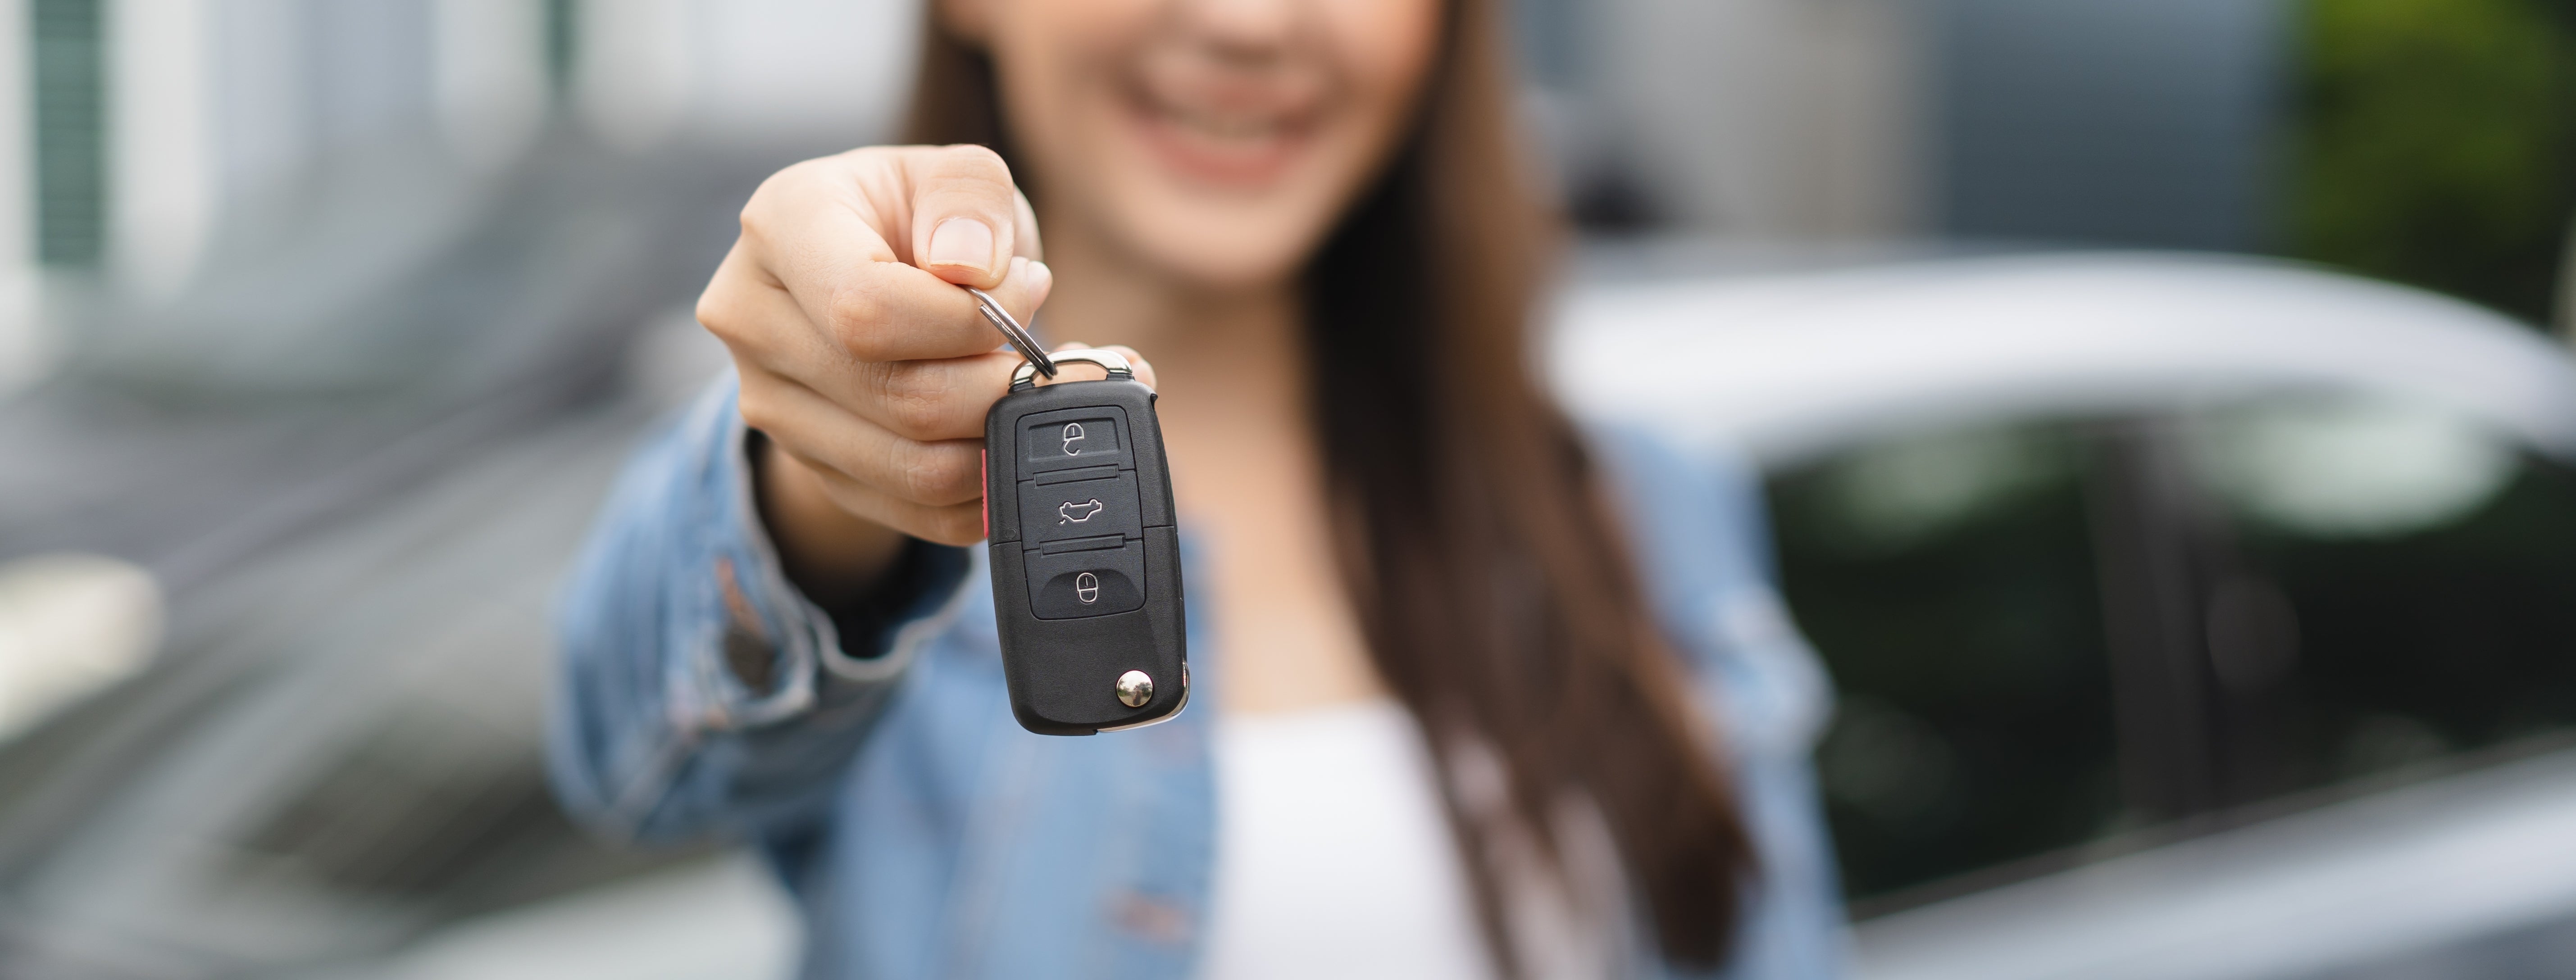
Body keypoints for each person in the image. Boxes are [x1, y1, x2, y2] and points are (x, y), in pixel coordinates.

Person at [547, 0, 1843, 976]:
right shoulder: (864, 510)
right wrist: (833, 469)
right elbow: (633, 760)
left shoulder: (1650, 504)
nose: (1249, 22)